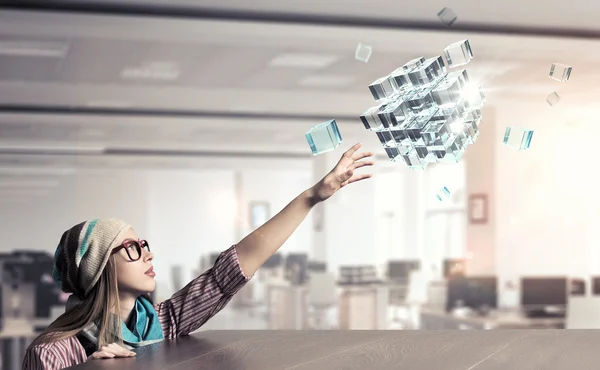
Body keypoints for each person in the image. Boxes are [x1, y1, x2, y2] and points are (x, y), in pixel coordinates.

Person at [22, 143, 374, 369]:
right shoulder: (51, 352)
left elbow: (231, 271)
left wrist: (311, 196)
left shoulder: (163, 324)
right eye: (131, 248)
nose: (147, 254)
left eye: (143, 244)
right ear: (98, 268)